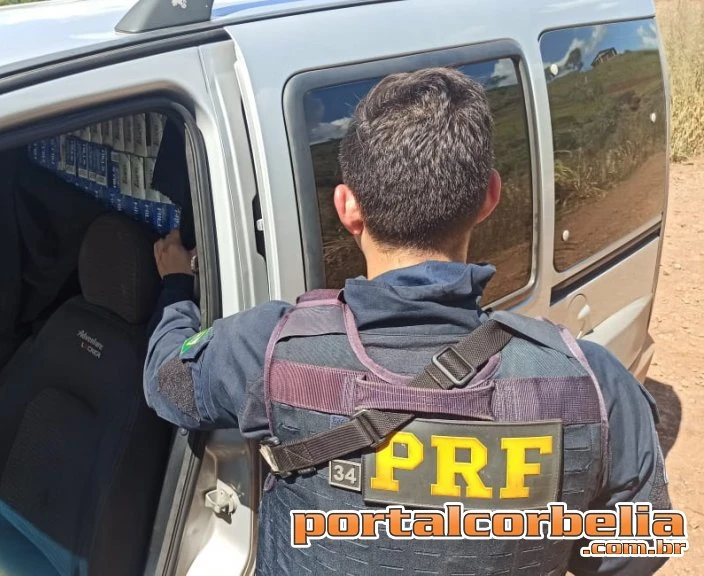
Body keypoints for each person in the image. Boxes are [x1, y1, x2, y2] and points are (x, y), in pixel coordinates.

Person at [143, 67, 671, 575]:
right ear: (489, 197)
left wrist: (175, 284)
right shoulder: (591, 384)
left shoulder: (267, 346)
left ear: (347, 207)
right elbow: (636, 551)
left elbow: (166, 382)